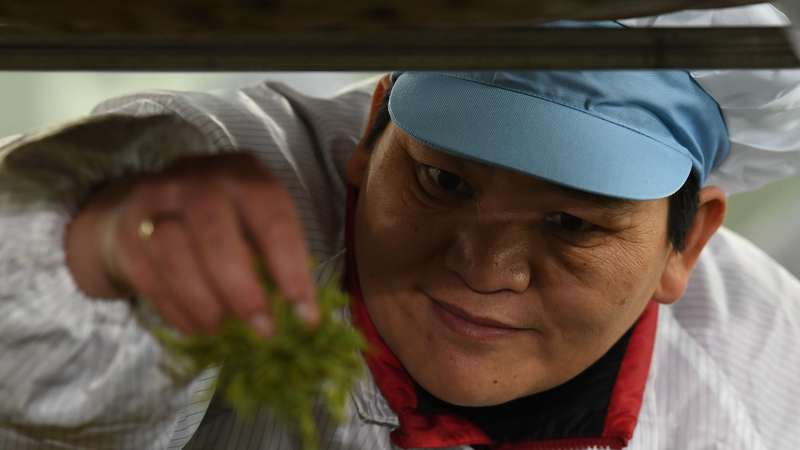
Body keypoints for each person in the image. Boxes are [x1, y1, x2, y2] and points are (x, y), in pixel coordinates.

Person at [1, 4, 800, 450]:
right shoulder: (202, 172)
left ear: (686, 247)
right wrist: (84, 261)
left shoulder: (762, 370)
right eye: (444, 180)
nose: (486, 267)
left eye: (570, 224)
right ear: (377, 124)